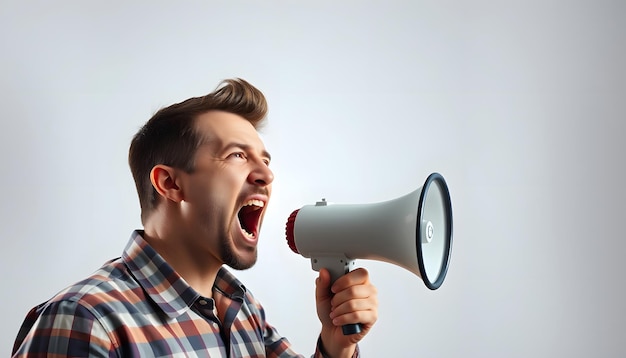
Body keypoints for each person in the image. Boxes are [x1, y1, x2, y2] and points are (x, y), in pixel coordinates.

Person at [12, 78, 378, 357]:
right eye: (236, 155)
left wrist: (336, 345)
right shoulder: (87, 320)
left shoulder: (241, 310)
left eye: (265, 161)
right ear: (170, 183)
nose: (266, 175)